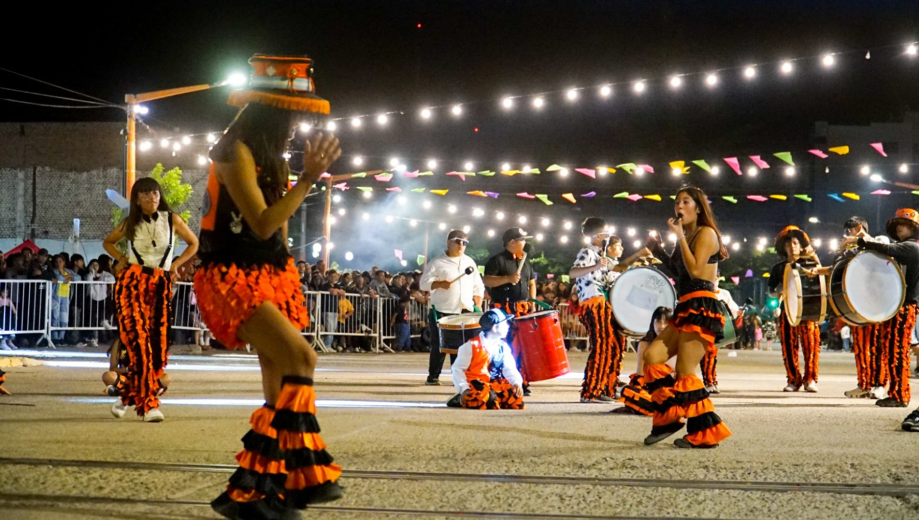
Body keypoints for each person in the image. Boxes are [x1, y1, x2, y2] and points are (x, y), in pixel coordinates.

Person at [191, 54, 343, 519]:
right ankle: (302, 471)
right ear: (271, 113)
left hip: (268, 274)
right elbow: (261, 224)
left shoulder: (265, 154)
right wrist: (310, 180)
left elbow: (273, 236)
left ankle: (256, 492)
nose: (296, 127)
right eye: (292, 116)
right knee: (302, 357)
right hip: (231, 277)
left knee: (278, 383)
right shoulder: (233, 150)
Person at [103, 177, 199, 422]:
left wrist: (176, 265)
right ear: (137, 199)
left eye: (155, 194)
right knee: (140, 341)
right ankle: (148, 406)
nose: (151, 198)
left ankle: (124, 396)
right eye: (145, 195)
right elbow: (109, 242)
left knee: (157, 347)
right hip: (133, 282)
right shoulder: (130, 222)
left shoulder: (172, 219)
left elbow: (193, 243)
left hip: (161, 283)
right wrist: (120, 259)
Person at [643, 185, 732, 448]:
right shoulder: (688, 234)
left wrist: (680, 237)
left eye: (685, 202)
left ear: (698, 207)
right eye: (677, 202)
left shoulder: (706, 233)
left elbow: (695, 271)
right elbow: (677, 269)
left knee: (684, 371)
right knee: (652, 357)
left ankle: (706, 435)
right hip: (685, 306)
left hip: (703, 305)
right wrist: (658, 249)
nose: (679, 206)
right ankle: (670, 417)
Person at [844, 209, 919, 415]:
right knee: (894, 352)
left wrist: (862, 241)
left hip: (905, 307)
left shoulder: (912, 247)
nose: (899, 227)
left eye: (903, 224)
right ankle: (896, 392)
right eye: (897, 224)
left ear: (914, 228)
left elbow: (884, 247)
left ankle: (900, 395)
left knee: (897, 353)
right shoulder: (904, 248)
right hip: (899, 307)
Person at [810, 216, 890, 400]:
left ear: (858, 228)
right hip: (857, 302)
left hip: (875, 302)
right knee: (861, 347)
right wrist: (817, 270)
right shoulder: (851, 251)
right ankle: (864, 383)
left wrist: (861, 239)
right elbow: (837, 269)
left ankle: (880, 384)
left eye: (848, 232)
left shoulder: (878, 241)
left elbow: (884, 251)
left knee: (877, 345)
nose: (845, 236)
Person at [569, 217, 625, 403]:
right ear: (599, 236)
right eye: (606, 233)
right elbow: (573, 272)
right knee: (601, 345)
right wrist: (596, 266)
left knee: (615, 345)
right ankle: (591, 391)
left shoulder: (600, 255)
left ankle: (607, 387)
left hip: (602, 302)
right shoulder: (587, 252)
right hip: (592, 303)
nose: (608, 236)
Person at [419, 229, 485, 385]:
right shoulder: (437, 262)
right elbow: (423, 283)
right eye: (458, 241)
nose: (461, 245)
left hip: (465, 310)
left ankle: (461, 376)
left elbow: (478, 284)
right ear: (448, 242)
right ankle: (433, 376)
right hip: (443, 309)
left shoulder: (469, 262)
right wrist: (439, 283)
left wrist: (478, 300)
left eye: (465, 242)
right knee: (440, 345)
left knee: (464, 346)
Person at [768, 226, 823, 393]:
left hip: (808, 311)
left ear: (801, 246)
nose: (792, 246)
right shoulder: (778, 268)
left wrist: (813, 255)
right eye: (788, 244)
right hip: (787, 311)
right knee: (788, 347)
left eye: (795, 243)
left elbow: (821, 275)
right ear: (783, 247)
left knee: (810, 346)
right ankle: (793, 380)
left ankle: (810, 379)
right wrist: (778, 296)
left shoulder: (810, 263)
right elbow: (771, 290)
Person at [484, 228, 537, 394]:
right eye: (522, 239)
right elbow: (488, 280)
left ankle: (521, 381)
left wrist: (532, 303)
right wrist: (508, 278)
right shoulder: (497, 260)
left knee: (522, 347)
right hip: (503, 310)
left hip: (522, 308)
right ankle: (501, 380)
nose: (525, 243)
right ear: (512, 242)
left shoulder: (526, 260)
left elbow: (532, 282)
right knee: (505, 346)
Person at [450, 308, 524, 410]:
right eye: (505, 323)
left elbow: (509, 368)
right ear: (495, 327)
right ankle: (461, 398)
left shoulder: (503, 346)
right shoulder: (471, 346)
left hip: (494, 385)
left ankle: (491, 397)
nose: (508, 326)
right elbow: (457, 369)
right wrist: (464, 388)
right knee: (484, 399)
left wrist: (516, 382)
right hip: (476, 387)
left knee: (515, 398)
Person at [618, 306, 673, 416]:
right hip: (649, 392)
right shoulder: (644, 344)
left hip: (670, 392)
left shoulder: (677, 344)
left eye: (665, 322)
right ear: (652, 323)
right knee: (626, 391)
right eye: (658, 321)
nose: (661, 326)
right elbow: (640, 375)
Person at [700, 276, 740, 394]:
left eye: (716, 278)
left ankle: (711, 381)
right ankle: (709, 381)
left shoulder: (724, 293)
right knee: (707, 356)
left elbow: (732, 309)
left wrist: (738, 312)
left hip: (719, 328)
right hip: (706, 327)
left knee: (712, 356)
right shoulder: (703, 293)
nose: (714, 280)